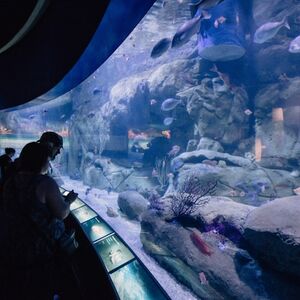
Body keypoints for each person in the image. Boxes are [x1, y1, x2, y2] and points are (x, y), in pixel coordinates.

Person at [0, 142, 78, 299]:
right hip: (38, 251)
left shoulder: (10, 182)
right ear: (41, 161)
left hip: (12, 246)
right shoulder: (45, 183)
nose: (49, 164)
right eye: (48, 160)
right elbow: (62, 213)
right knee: (40, 288)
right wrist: (69, 200)